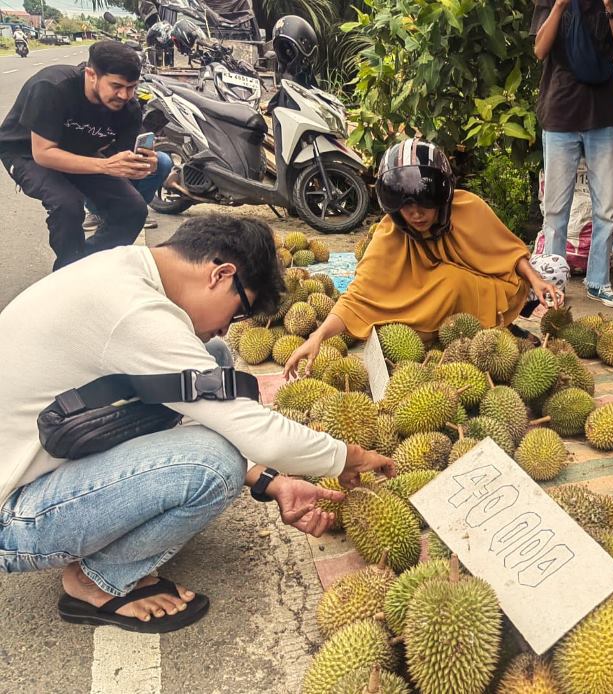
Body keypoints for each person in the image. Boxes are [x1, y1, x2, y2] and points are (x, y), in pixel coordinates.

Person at [0, 215, 394, 633]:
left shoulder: (128, 270)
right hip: (15, 515)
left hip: (45, 454)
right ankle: (97, 580)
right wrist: (349, 456)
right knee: (214, 464)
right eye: (238, 311)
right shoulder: (133, 314)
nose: (227, 325)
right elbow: (260, 434)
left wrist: (272, 483)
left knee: (216, 357)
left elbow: (202, 403)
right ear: (221, 274)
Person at [282, 139, 568, 372]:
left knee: (554, 268)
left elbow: (505, 253)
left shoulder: (468, 208)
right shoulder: (388, 235)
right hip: (426, 309)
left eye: (425, 205)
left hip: (487, 286)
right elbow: (358, 297)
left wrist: (536, 280)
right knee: (447, 283)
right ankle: (471, 334)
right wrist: (318, 335)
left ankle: (506, 321)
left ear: (442, 199)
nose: (416, 214)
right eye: (406, 207)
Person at [0, 41, 160, 271]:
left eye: (132, 86)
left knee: (133, 209)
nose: (124, 95)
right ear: (91, 74)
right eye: (116, 86)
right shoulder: (52, 87)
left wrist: (145, 164)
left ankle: (87, 266)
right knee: (67, 204)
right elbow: (43, 154)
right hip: (26, 153)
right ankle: (66, 271)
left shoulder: (129, 107)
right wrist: (105, 165)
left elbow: (124, 159)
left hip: (81, 152)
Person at [532, 0, 613, 309]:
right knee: (555, 210)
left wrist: (610, 7)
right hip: (560, 113)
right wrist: (558, 7)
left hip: (604, 114)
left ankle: (598, 282)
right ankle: (553, 286)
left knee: (605, 208)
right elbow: (540, 50)